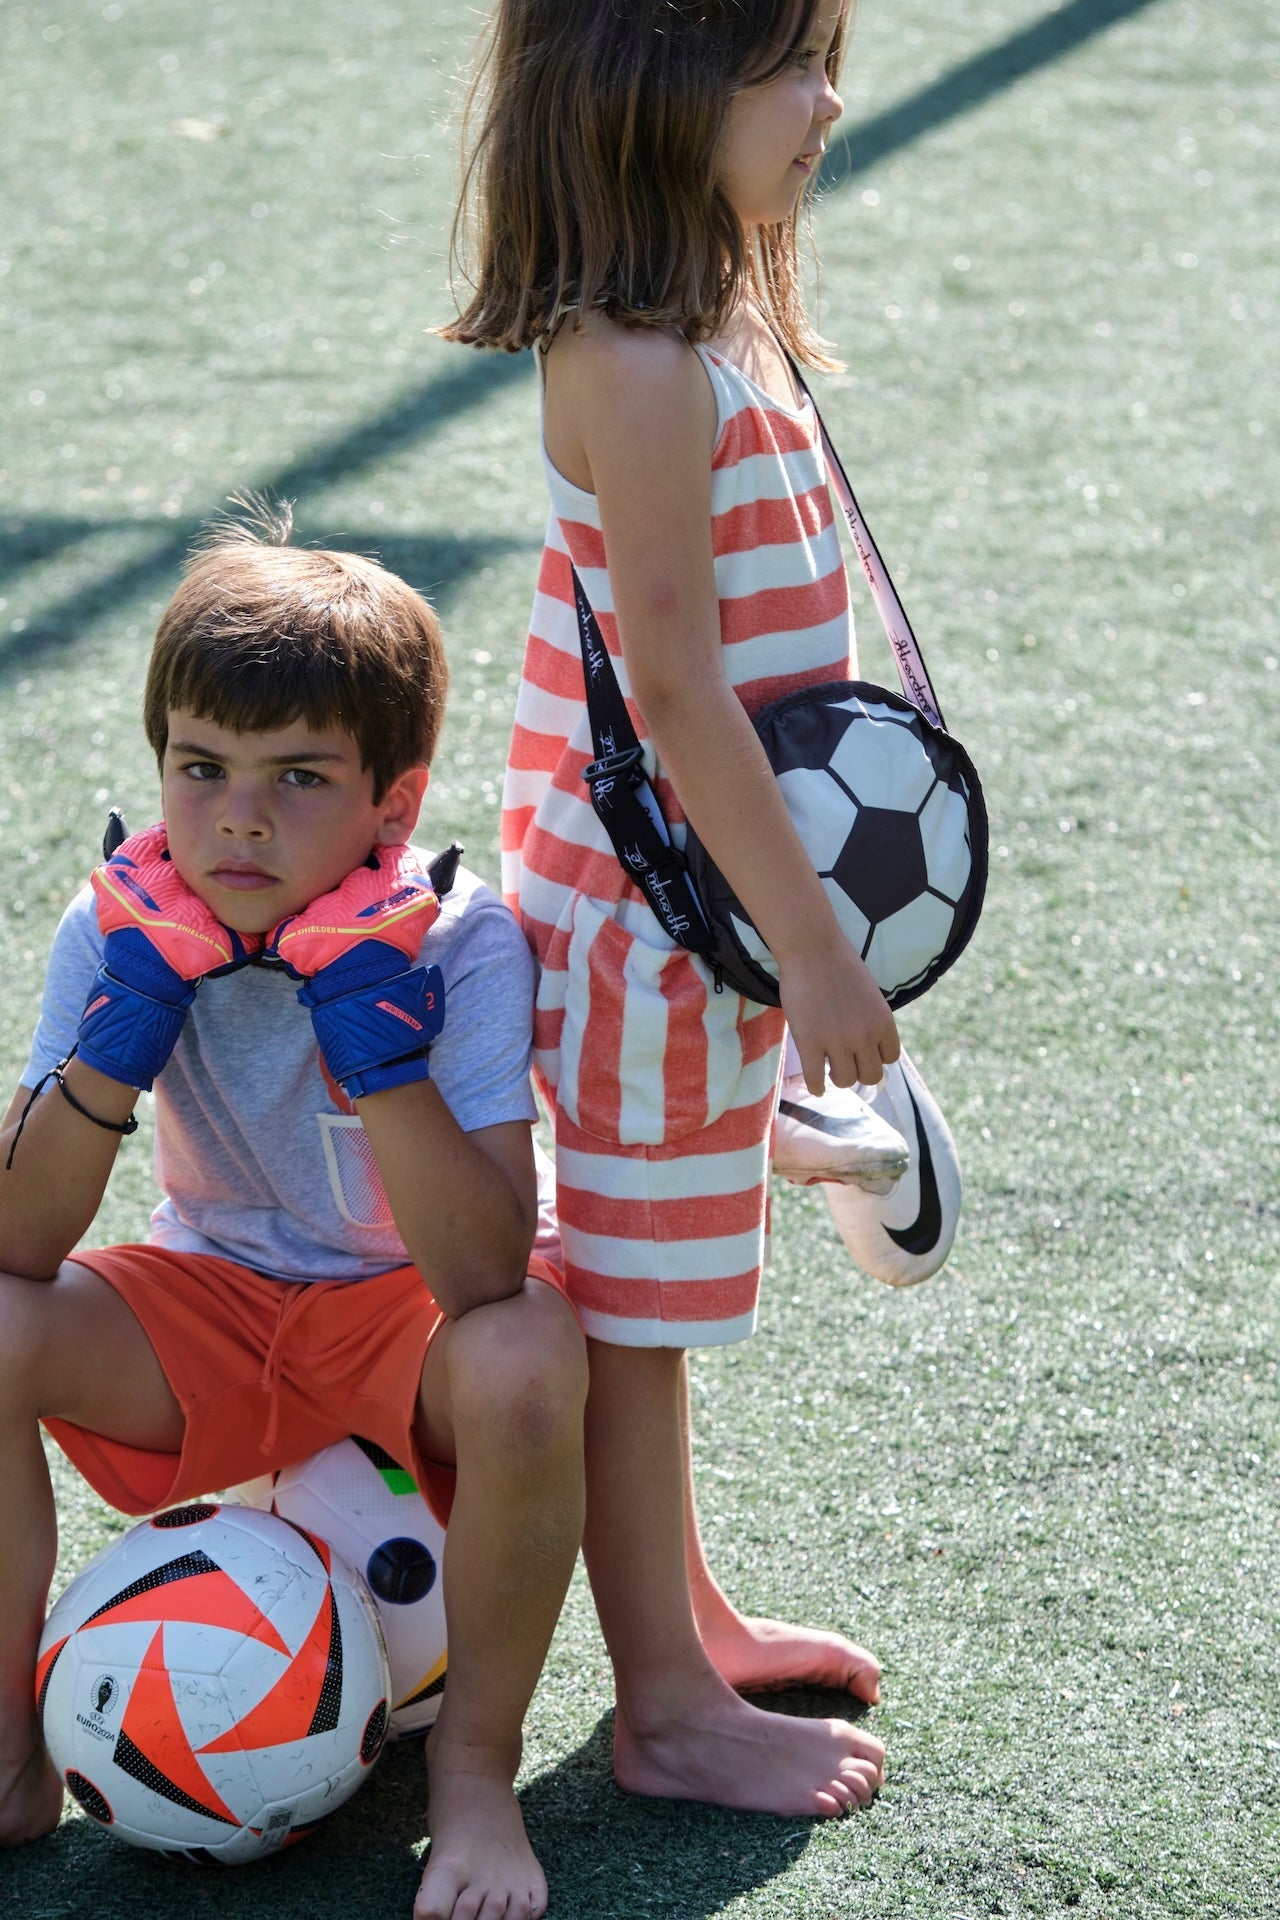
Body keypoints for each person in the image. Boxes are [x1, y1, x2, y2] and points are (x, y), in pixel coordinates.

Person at [0, 506, 588, 1920]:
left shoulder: (459, 939)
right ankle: (8, 1760)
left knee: (526, 1354)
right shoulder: (117, 925)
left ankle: (474, 1774)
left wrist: (376, 1057)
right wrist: (113, 1048)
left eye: (298, 777)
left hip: (402, 1320)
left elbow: (488, 1270)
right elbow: (21, 1245)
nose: (239, 817)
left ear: (396, 803)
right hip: (208, 1306)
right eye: (199, 769)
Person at [444, 0, 893, 1816]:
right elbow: (685, 694)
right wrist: (812, 945)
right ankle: (663, 1710)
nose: (829, 101)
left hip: (696, 913)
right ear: (647, 87)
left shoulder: (717, 302)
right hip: (654, 927)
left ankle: (680, 1612)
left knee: (669, 1296)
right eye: (786, 63)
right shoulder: (630, 357)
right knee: (636, 1318)